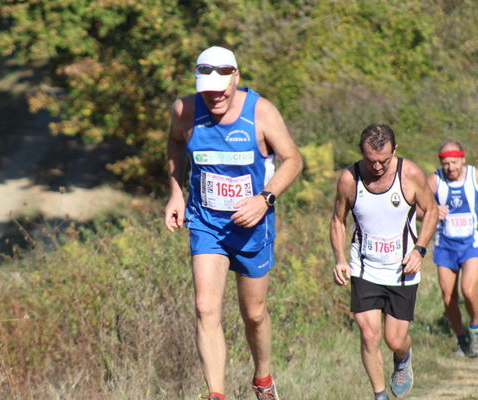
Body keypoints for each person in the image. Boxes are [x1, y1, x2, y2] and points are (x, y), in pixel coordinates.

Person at [164, 46, 302, 400]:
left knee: (253, 314)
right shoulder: (185, 111)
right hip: (207, 224)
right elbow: (175, 144)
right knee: (205, 307)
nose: (215, 96)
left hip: (253, 227)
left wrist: (264, 199)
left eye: (221, 89)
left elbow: (292, 160)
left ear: (236, 79)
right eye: (207, 90)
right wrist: (176, 193)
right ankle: (216, 394)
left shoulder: (261, 112)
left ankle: (263, 377)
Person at [330, 124, 438, 400]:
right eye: (371, 160)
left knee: (395, 339)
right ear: (361, 153)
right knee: (368, 335)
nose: (377, 167)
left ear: (395, 151)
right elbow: (338, 221)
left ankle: (402, 359)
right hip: (364, 268)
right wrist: (340, 258)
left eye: (384, 160)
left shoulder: (410, 174)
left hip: (402, 269)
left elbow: (432, 210)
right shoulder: (349, 179)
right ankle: (380, 395)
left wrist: (420, 250)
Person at [428, 140, 478, 357]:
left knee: (468, 290)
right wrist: (432, 211)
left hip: (471, 244)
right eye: (446, 163)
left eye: (454, 163)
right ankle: (462, 339)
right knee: (448, 297)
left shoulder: (474, 176)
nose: (450, 168)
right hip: (445, 245)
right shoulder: (434, 180)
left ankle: (475, 328)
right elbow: (419, 208)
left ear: (463, 159)